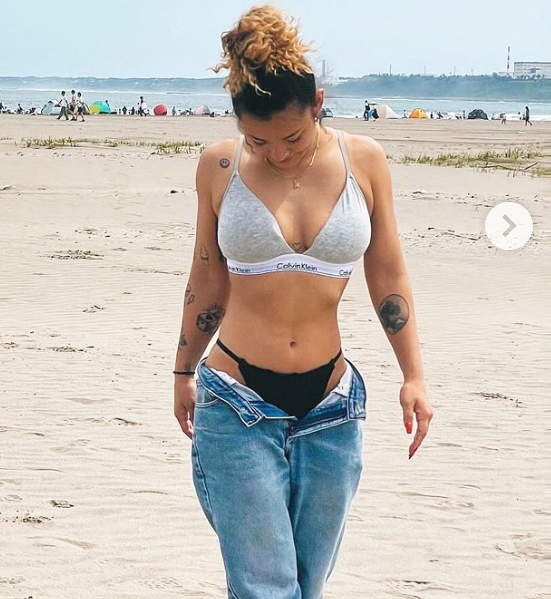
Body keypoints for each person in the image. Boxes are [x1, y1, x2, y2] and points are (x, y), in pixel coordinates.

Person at [173, 6, 432, 599]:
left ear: (318, 102)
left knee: (307, 586)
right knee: (266, 588)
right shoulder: (218, 167)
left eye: (292, 137)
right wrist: (182, 370)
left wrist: (413, 374)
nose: (279, 154)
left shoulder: (364, 160)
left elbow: (387, 272)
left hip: (332, 407)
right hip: (235, 399)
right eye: (258, 140)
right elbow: (207, 277)